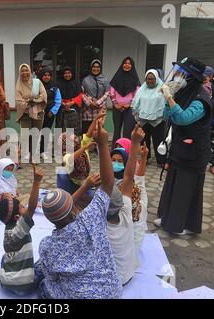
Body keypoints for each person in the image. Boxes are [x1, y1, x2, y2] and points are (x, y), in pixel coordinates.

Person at [36, 119, 122, 299]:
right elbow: (108, 184)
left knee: (44, 284)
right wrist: (103, 144)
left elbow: (52, 277)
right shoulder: (92, 217)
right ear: (74, 207)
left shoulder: (47, 246)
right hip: (112, 292)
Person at [155, 57, 212, 235]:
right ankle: (166, 217)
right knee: (173, 183)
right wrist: (167, 99)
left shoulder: (201, 99)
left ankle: (181, 225)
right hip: (180, 148)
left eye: (181, 73)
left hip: (194, 151)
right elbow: (168, 115)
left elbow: (183, 118)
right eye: (177, 72)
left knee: (184, 188)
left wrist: (170, 98)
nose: (177, 76)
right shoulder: (183, 92)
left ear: (192, 77)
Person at [0, 164, 44, 296]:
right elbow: (32, 207)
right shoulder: (20, 229)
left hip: (5, 282)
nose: (24, 206)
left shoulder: (7, 226)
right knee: (42, 263)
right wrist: (36, 182)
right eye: (22, 206)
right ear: (18, 217)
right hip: (26, 286)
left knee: (4, 259)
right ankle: (25, 284)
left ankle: (12, 280)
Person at [106, 124, 144, 285]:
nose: (115, 164)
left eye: (120, 161)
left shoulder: (130, 190)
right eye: (112, 160)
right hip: (127, 273)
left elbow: (128, 177)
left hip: (131, 230)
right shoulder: (115, 184)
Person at [57, 112, 104, 195]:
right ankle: (65, 197)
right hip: (71, 183)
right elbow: (71, 158)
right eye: (70, 141)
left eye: (75, 138)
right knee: (61, 172)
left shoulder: (81, 145)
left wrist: (96, 118)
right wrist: (85, 148)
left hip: (83, 183)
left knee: (94, 195)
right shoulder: (65, 154)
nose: (75, 140)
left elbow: (89, 133)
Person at [131, 69, 167, 165]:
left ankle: (161, 160)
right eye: (148, 79)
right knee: (144, 140)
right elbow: (135, 104)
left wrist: (163, 116)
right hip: (143, 120)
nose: (150, 81)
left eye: (152, 79)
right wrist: (137, 117)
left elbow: (166, 103)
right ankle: (145, 158)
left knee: (158, 141)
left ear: (157, 78)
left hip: (157, 120)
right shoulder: (141, 89)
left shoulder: (162, 88)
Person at [15, 64, 47, 160]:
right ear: (20, 73)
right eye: (22, 71)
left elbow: (43, 95)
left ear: (30, 71)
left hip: (38, 112)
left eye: (26, 70)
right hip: (25, 113)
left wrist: (32, 100)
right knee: (25, 135)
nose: (25, 72)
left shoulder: (37, 82)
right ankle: (25, 154)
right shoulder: (18, 85)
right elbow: (18, 100)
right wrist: (30, 101)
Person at [110, 57, 141, 148]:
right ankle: (115, 150)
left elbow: (137, 93)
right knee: (116, 131)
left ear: (132, 65)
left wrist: (129, 104)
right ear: (122, 64)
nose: (127, 65)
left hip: (130, 109)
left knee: (127, 131)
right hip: (117, 108)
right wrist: (116, 104)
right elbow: (112, 91)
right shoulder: (117, 77)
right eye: (125, 63)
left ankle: (125, 150)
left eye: (129, 63)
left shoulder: (135, 78)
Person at [81, 59, 110, 134]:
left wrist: (97, 103)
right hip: (88, 109)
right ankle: (86, 145)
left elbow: (107, 93)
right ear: (91, 68)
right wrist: (89, 103)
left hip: (100, 108)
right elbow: (82, 93)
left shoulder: (105, 80)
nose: (96, 69)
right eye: (94, 66)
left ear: (100, 68)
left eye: (98, 67)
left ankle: (97, 145)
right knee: (87, 131)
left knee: (98, 130)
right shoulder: (85, 80)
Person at [38, 68, 61, 159]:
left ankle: (42, 151)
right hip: (38, 113)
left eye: (48, 75)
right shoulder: (37, 86)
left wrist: (53, 111)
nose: (46, 77)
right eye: (44, 75)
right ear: (41, 76)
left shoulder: (54, 87)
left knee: (46, 131)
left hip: (49, 114)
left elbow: (58, 100)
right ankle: (33, 150)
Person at [57, 66, 83, 136]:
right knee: (61, 129)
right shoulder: (58, 83)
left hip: (74, 109)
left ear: (72, 74)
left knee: (73, 130)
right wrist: (63, 104)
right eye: (65, 73)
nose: (67, 75)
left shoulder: (76, 83)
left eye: (69, 73)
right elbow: (56, 96)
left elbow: (80, 95)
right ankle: (60, 146)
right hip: (61, 109)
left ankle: (72, 146)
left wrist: (70, 103)